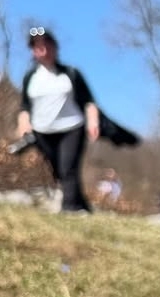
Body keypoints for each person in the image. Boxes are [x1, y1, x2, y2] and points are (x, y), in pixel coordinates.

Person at [17, 27, 99, 213]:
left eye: (46, 44)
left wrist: (93, 122)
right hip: (42, 131)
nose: (42, 49)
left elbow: (89, 102)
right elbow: (24, 107)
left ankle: (69, 210)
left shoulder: (70, 74)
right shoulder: (30, 78)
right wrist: (23, 125)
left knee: (68, 167)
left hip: (72, 127)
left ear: (54, 47)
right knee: (58, 171)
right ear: (32, 51)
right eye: (37, 46)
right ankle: (83, 206)